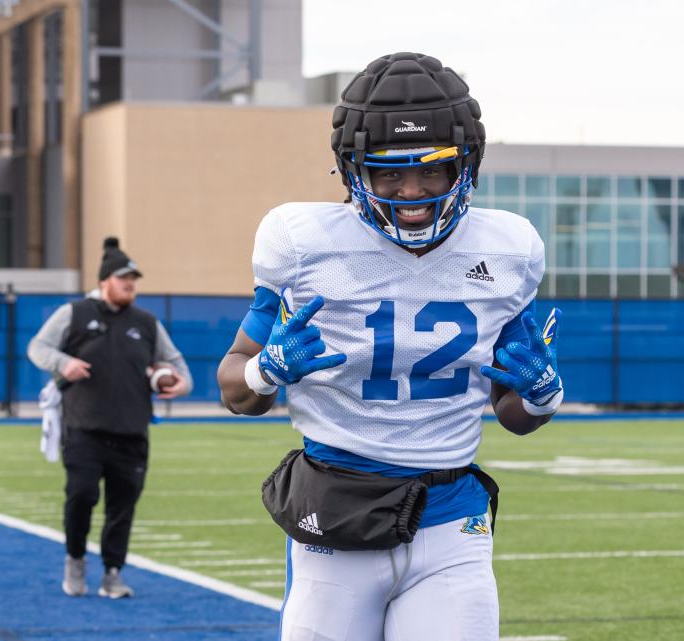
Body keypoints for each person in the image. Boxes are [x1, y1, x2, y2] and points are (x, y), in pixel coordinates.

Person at [217, 52, 563, 640]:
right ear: (355, 172)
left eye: (432, 170)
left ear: (465, 168)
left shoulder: (509, 249)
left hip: (452, 516)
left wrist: (542, 396)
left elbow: (514, 414)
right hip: (338, 511)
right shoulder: (304, 245)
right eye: (389, 173)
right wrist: (267, 372)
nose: (412, 191)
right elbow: (233, 384)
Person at [28, 237, 193, 599]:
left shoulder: (146, 323)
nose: (130, 283)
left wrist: (179, 383)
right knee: (81, 496)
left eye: (133, 278)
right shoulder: (75, 313)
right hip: (84, 429)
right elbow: (37, 347)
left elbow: (180, 367)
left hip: (133, 433)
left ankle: (112, 574)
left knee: (122, 509)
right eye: (123, 277)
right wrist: (63, 363)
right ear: (105, 280)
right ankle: (75, 559)